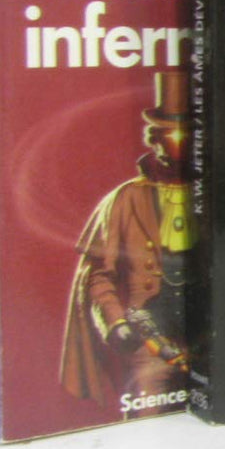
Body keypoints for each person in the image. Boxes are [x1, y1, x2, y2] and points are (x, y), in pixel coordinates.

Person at [60, 71, 194, 416]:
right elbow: (99, 274)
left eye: (185, 133)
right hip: (151, 338)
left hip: (206, 331)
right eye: (169, 133)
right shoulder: (125, 199)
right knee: (147, 412)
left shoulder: (214, 192)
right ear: (155, 138)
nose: (177, 142)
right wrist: (116, 322)